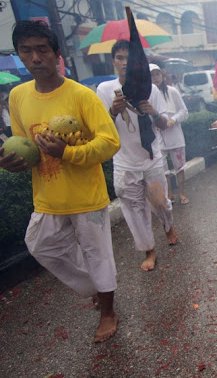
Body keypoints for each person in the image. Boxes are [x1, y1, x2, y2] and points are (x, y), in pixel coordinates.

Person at [0, 20, 120, 342]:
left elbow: (110, 143)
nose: (35, 57)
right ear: (20, 55)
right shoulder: (17, 96)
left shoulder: (82, 96)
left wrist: (67, 152)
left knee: (100, 255)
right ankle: (95, 286)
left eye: (42, 49)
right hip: (48, 197)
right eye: (27, 51)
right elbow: (25, 147)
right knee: (40, 245)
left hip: (87, 196)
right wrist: (12, 165)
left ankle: (107, 312)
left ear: (56, 54)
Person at [97, 40, 178, 272]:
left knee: (161, 204)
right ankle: (149, 250)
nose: (124, 63)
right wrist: (113, 111)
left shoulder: (150, 89)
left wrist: (153, 113)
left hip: (152, 160)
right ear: (113, 61)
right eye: (119, 58)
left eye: (129, 58)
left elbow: (163, 124)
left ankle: (168, 225)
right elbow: (102, 128)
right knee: (134, 211)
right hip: (124, 164)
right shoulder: (104, 90)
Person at [150, 63, 190, 205]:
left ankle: (182, 193)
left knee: (179, 167)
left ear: (162, 75)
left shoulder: (172, 91)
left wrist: (173, 119)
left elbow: (184, 111)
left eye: (157, 74)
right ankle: (169, 195)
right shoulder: (148, 95)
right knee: (163, 169)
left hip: (175, 136)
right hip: (158, 138)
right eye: (152, 75)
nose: (155, 78)